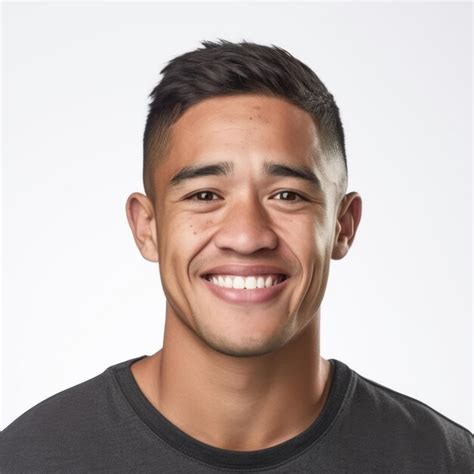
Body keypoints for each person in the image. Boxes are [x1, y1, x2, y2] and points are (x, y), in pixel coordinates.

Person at [0, 39, 471, 473]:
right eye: (205, 195)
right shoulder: (28, 459)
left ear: (343, 227)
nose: (246, 236)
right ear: (147, 228)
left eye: (287, 196)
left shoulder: (444, 460)